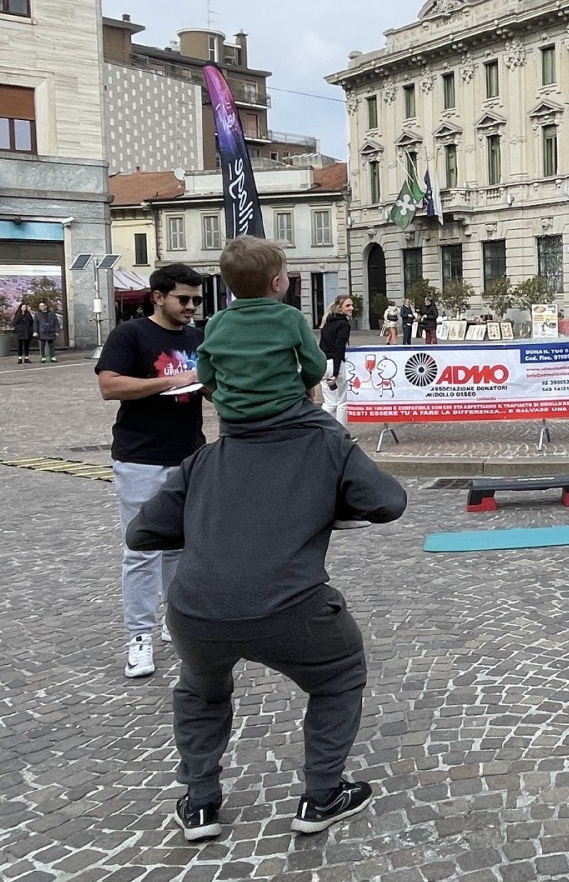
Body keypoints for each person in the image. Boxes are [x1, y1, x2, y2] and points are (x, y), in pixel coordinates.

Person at [125, 356, 408, 842]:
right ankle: (322, 794)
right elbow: (387, 501)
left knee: (200, 689)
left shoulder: (203, 461)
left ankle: (199, 803)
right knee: (339, 674)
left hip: (196, 609)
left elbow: (142, 532)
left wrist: (211, 523)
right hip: (290, 606)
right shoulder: (324, 444)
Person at [94, 263, 207, 680]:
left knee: (180, 545)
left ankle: (173, 621)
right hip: (139, 455)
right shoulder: (131, 334)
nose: (192, 307)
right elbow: (110, 386)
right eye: (184, 299)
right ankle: (138, 638)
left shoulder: (199, 336)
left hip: (189, 454)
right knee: (141, 549)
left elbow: (206, 386)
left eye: (197, 299)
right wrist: (173, 380)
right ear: (158, 297)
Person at [195, 238, 327, 425]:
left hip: (233, 417)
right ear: (277, 283)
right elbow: (316, 365)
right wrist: (302, 385)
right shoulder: (290, 317)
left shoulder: (216, 322)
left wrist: (223, 392)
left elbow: (205, 373)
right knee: (336, 439)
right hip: (286, 410)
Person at [319, 296, 355, 428]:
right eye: (348, 305)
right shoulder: (344, 324)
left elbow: (322, 345)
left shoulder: (327, 322)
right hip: (335, 364)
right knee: (341, 402)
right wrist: (335, 372)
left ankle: (318, 428)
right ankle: (341, 435)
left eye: (351, 305)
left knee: (329, 403)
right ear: (340, 307)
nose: (351, 308)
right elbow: (339, 348)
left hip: (324, 363)